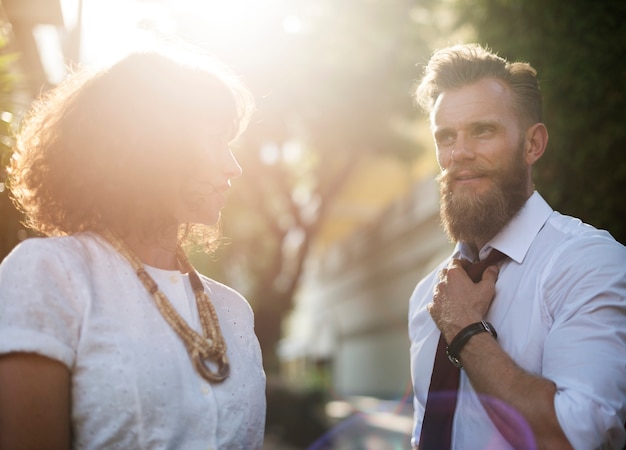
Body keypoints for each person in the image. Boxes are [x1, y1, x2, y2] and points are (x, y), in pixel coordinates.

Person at [0, 45, 266, 449]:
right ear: (151, 145)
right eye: (215, 139)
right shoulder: (50, 274)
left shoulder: (235, 313)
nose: (234, 166)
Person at [408, 43, 626, 449]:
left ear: (533, 145)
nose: (460, 153)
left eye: (483, 130)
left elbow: (571, 438)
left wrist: (464, 330)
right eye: (446, 136)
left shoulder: (591, 264)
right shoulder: (426, 296)